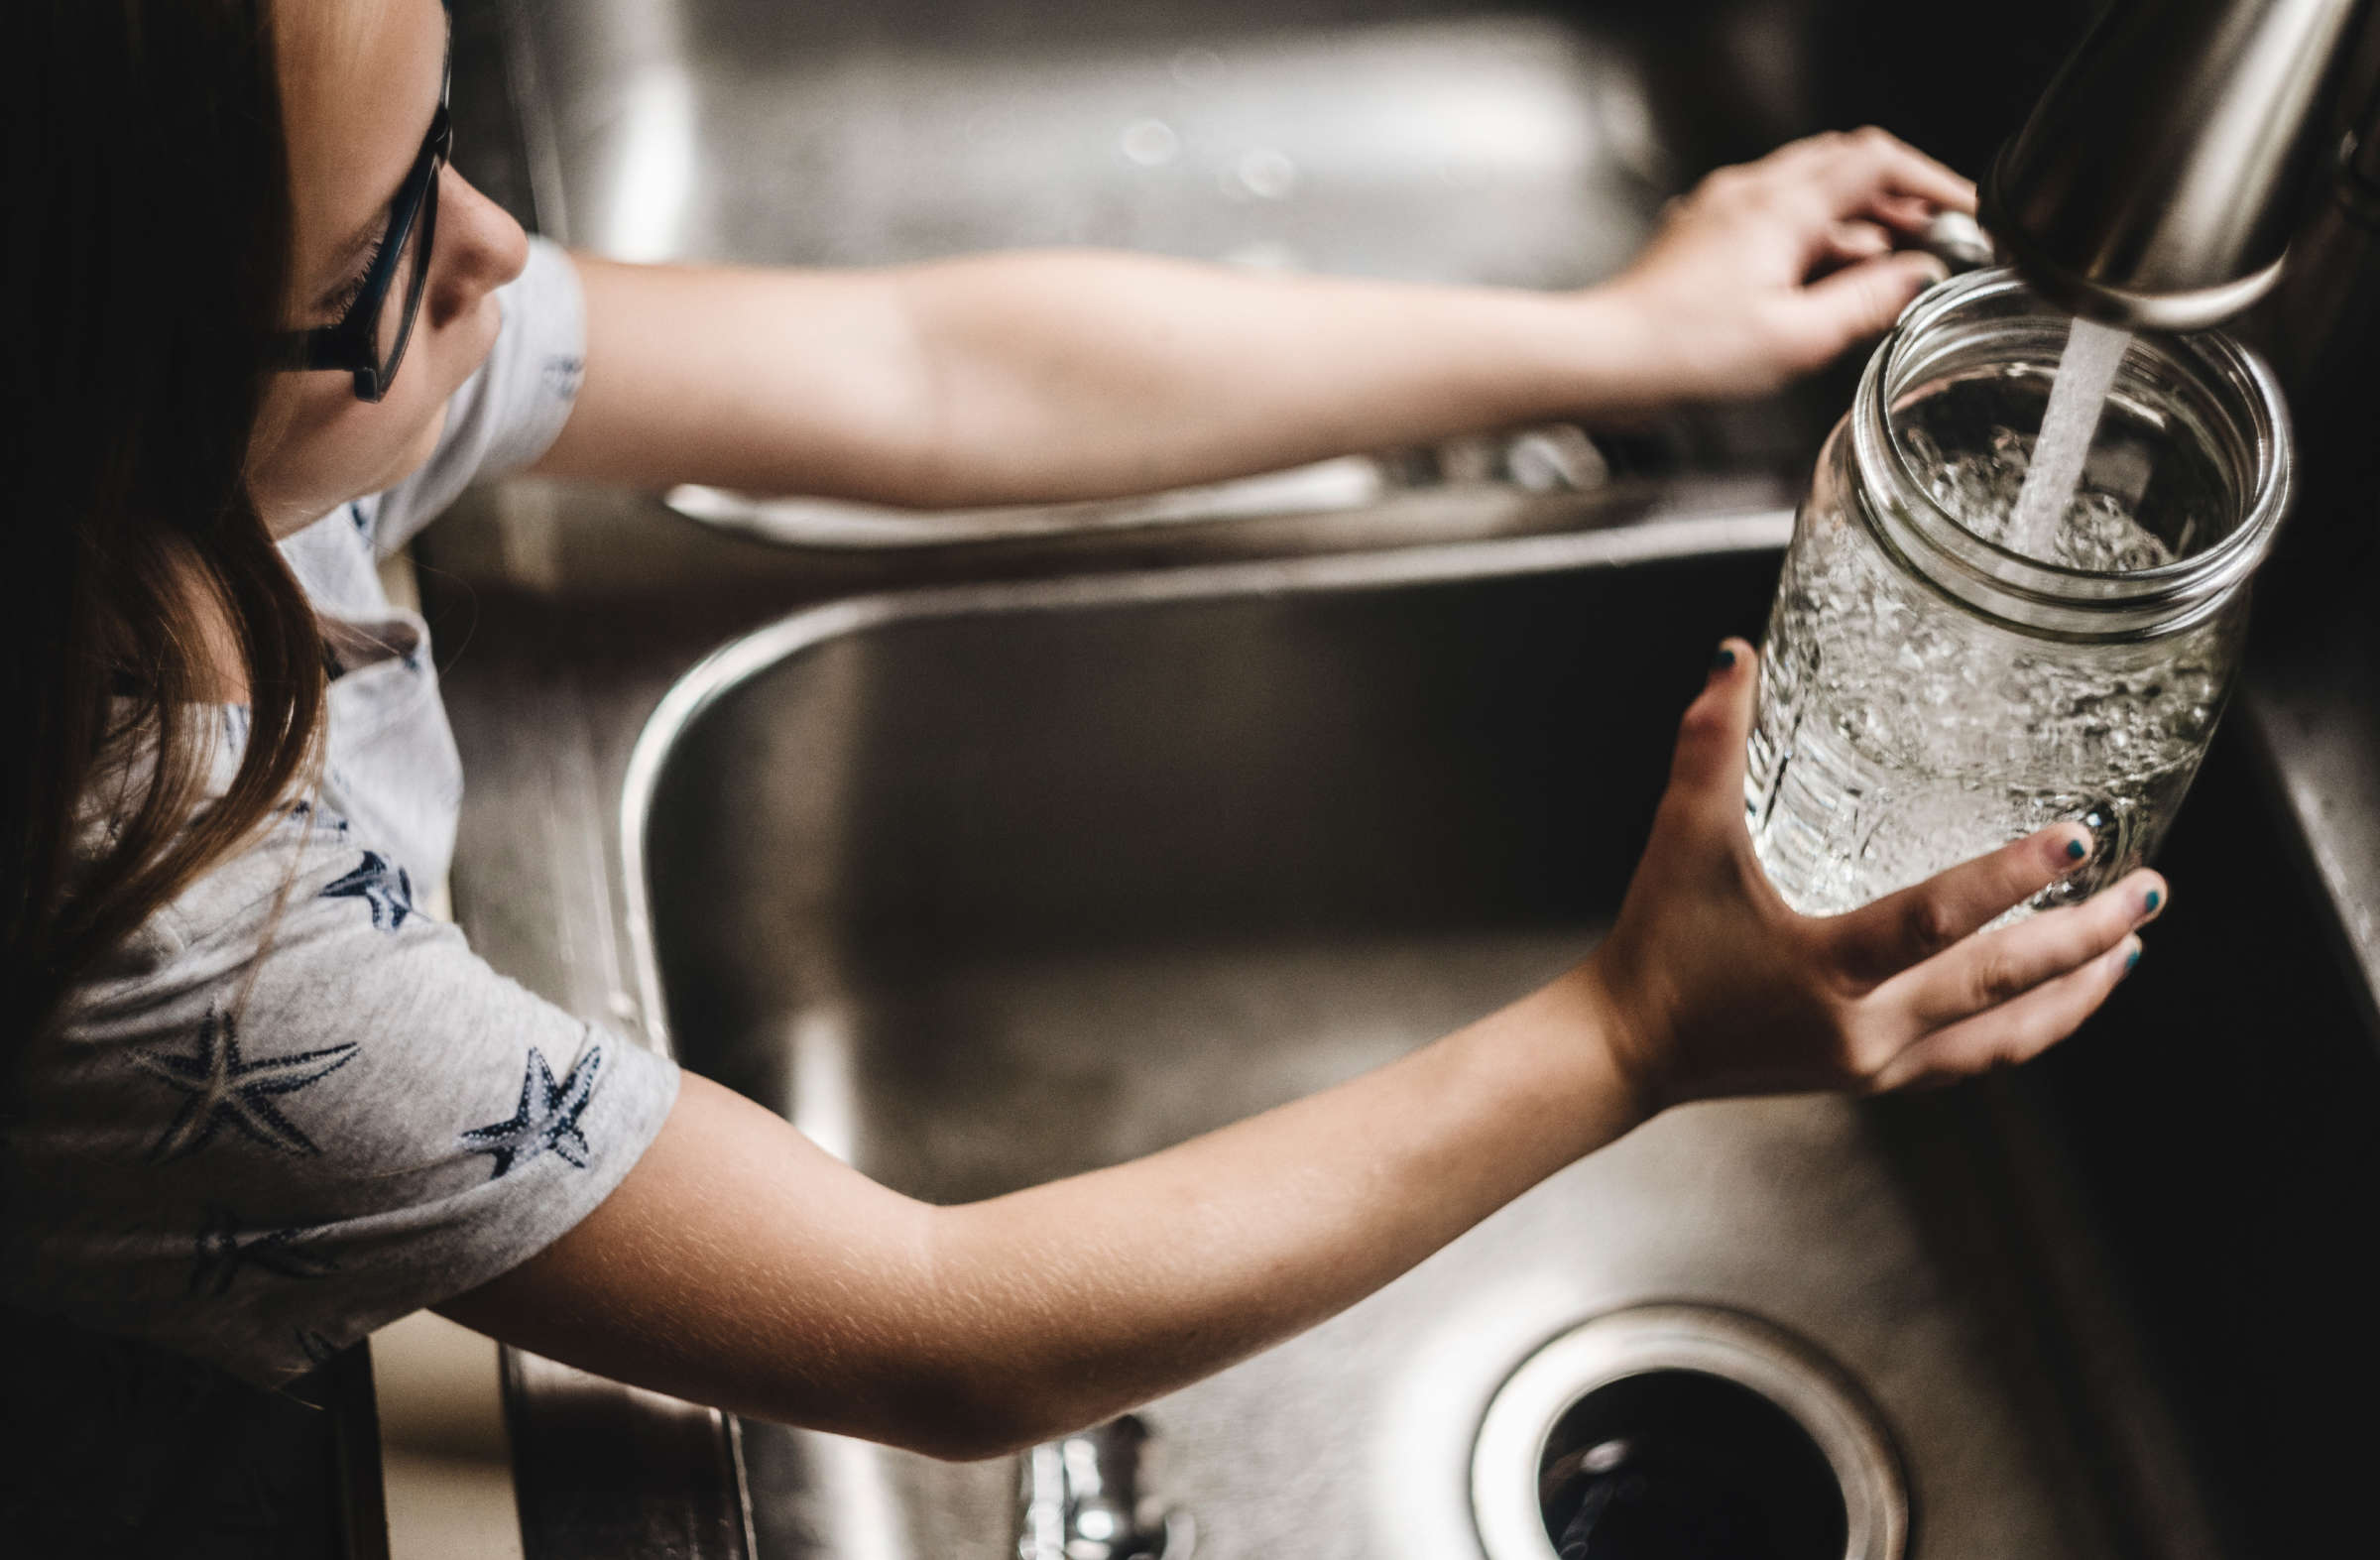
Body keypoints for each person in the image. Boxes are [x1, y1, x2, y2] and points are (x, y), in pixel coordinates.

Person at [3, 0, 2161, 1495]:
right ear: (120, 365)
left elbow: (926, 372)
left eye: (445, 137)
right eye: (389, 244)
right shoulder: (188, 945)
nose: (488, 250)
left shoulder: (228, 392)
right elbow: (946, 1325)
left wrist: (1613, 330)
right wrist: (1628, 1035)